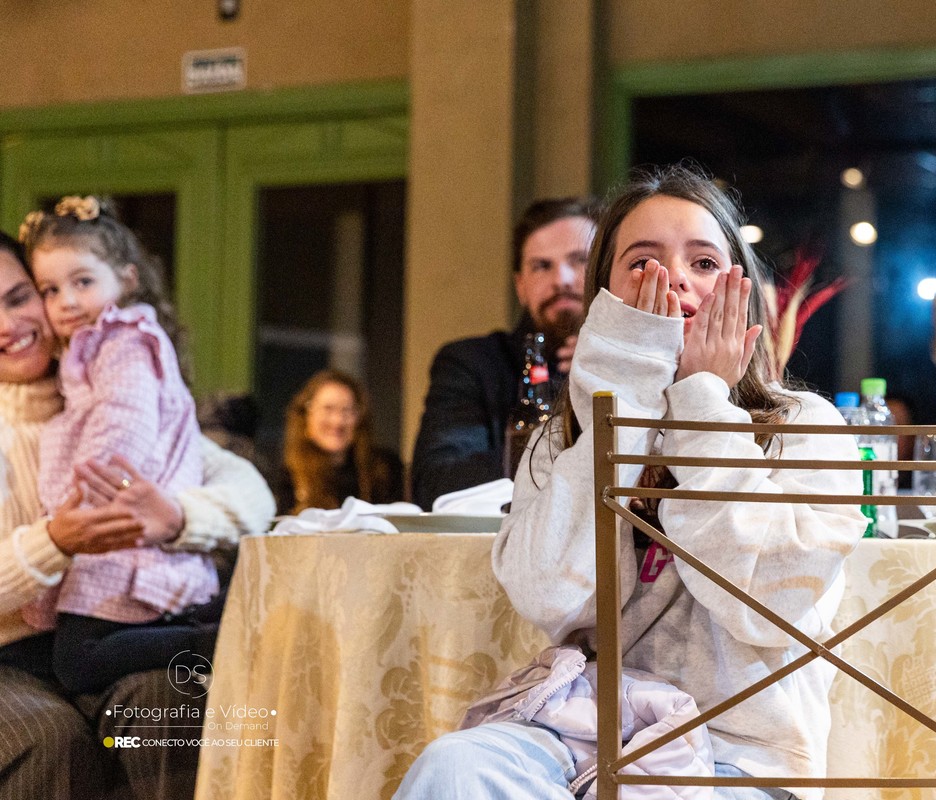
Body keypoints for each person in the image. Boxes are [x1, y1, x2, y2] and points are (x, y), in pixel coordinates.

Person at [395, 165, 867, 799]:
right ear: (603, 301)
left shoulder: (803, 423)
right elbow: (553, 598)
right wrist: (623, 400)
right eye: (643, 264)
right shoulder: (562, 438)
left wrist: (702, 400)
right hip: (584, 731)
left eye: (704, 263)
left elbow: (767, 604)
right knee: (456, 767)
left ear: (742, 292)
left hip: (738, 754)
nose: (673, 280)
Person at [0, 229, 275, 798]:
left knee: (167, 702)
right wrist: (54, 543)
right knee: (49, 738)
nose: (7, 324)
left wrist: (176, 518)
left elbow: (251, 493)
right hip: (9, 657)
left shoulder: (106, 394)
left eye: (19, 298)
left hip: (108, 633)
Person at [20, 197, 218, 695]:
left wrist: (82, 497)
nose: (66, 301)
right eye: (50, 290)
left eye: (83, 282)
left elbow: (124, 423)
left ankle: (213, 639)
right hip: (109, 535)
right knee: (75, 657)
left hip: (120, 532)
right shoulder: (89, 351)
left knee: (78, 661)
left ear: (127, 280)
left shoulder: (124, 341)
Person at [410, 197, 599, 509]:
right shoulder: (470, 364)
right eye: (542, 266)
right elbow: (438, 481)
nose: (561, 279)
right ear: (520, 285)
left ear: (606, 271)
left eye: (580, 260)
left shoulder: (651, 362)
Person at [274, 368, 403, 515]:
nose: (337, 421)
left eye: (347, 410)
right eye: (328, 409)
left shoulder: (384, 469)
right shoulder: (287, 476)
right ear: (306, 414)